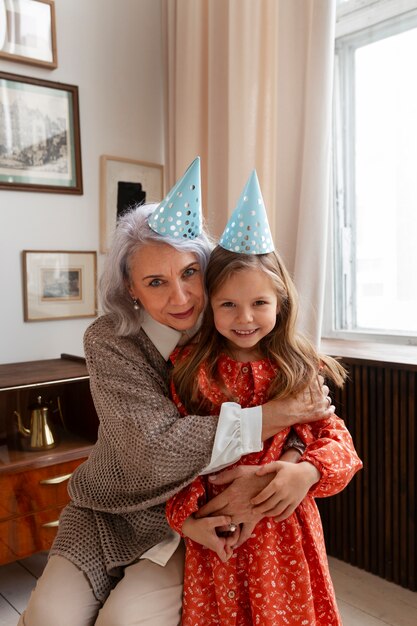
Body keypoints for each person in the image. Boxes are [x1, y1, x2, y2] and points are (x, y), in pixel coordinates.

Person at [18, 159, 334, 626]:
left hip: (191, 521)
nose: (181, 298)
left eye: (189, 273)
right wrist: (272, 416)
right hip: (110, 508)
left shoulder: (235, 329)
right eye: (155, 282)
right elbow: (151, 450)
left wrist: (298, 466)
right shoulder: (110, 340)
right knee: (49, 618)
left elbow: (318, 420)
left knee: (125, 621)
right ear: (131, 289)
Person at [166, 171, 362, 625]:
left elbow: (341, 446)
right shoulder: (193, 370)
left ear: (280, 302)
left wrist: (305, 471)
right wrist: (188, 516)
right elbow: (175, 456)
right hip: (221, 538)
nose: (245, 318)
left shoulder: (298, 368)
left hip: (285, 535)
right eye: (228, 305)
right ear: (209, 305)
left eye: (259, 303)